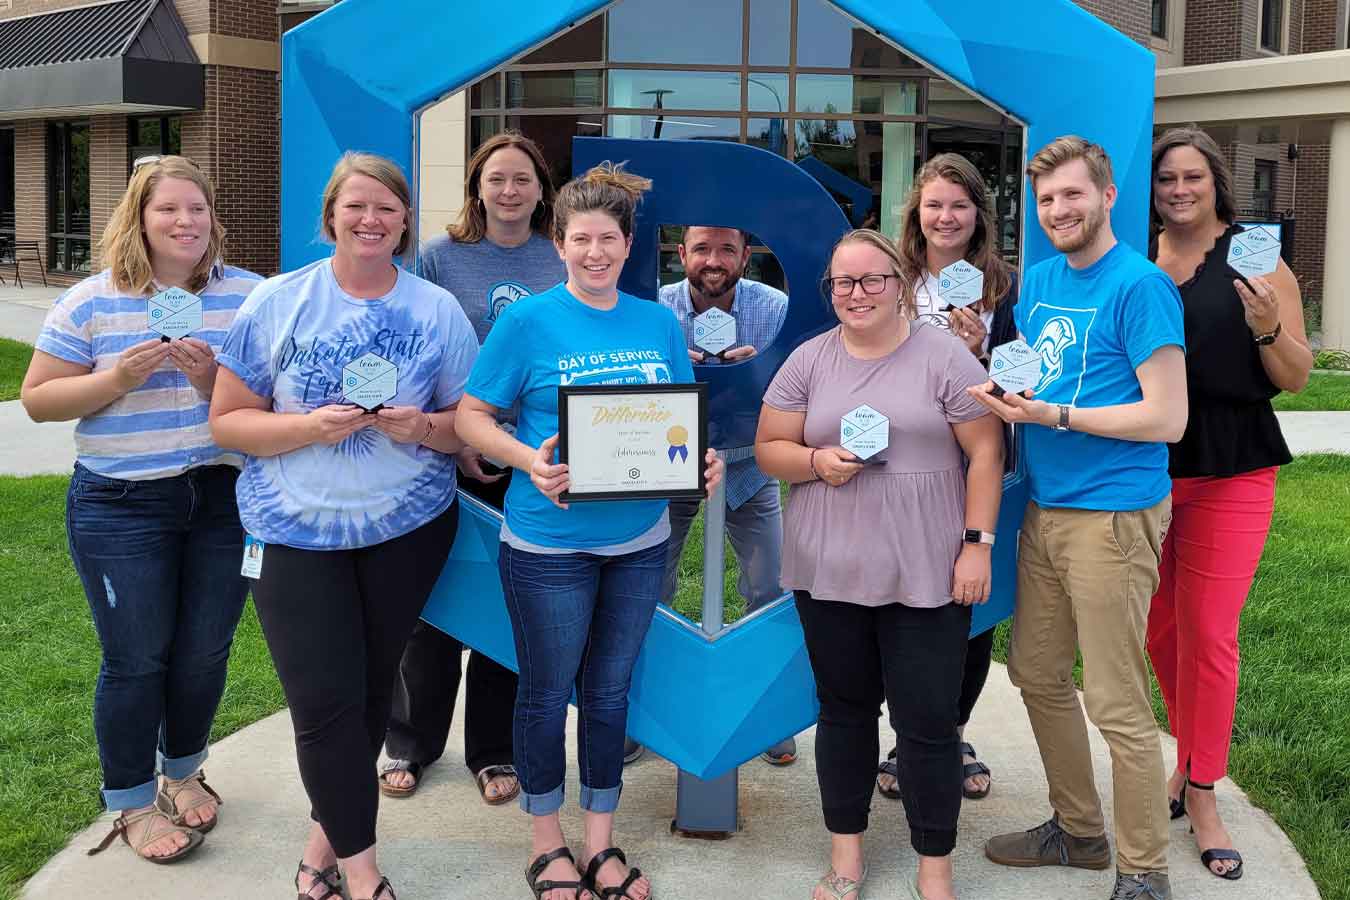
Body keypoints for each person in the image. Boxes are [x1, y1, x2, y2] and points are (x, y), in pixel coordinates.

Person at [210, 152, 480, 900]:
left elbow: (466, 428)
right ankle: (364, 879)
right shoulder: (277, 300)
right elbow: (228, 421)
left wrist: (421, 425)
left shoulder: (435, 310)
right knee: (323, 701)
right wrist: (306, 428)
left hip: (407, 531)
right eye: (357, 206)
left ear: (404, 221)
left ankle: (323, 842)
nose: (371, 220)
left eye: (388, 209)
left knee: (366, 697)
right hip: (292, 534)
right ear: (330, 214)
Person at [455, 162, 725, 900]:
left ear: (629, 244)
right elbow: (471, 417)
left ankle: (601, 841)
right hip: (548, 543)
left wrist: (695, 461)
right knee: (545, 693)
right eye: (581, 239)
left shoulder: (657, 322)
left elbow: (673, 417)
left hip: (638, 543)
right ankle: (549, 844)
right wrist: (525, 461)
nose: (595, 252)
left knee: (610, 694)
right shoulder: (526, 321)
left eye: (608, 238)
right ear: (559, 241)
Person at [20, 155, 260, 864]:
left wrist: (210, 375)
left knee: (204, 652)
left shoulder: (249, 296)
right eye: (168, 210)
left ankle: (183, 771)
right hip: (123, 501)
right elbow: (37, 399)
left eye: (197, 209)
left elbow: (268, 396)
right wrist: (115, 376)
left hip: (222, 497)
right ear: (139, 218)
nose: (185, 222)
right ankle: (129, 798)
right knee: (135, 660)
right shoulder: (94, 301)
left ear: (214, 218)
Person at [970, 136, 1188, 900]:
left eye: (1072, 195)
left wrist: (1056, 415)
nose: (1059, 210)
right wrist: (990, 368)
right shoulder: (1040, 281)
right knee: (1035, 672)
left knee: (1117, 702)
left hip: (1114, 516)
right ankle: (1080, 832)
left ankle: (1144, 871)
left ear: (1108, 197)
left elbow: (1168, 416)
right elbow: (1031, 372)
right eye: (1047, 200)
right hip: (1049, 510)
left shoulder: (1141, 286)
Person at [756, 229, 1004, 900]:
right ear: (828, 289)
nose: (856, 293)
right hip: (830, 567)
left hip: (927, 566)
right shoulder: (810, 360)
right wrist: (813, 462)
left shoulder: (947, 358)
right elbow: (769, 445)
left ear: (900, 284)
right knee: (843, 710)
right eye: (843, 282)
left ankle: (935, 862)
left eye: (871, 280)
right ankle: (846, 857)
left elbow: (986, 451)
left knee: (926, 719)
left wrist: (977, 543)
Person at [1146, 126, 1312, 881]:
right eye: (1166, 180)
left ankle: (1203, 788)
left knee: (1209, 632)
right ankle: (1188, 755)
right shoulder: (1139, 256)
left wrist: (1267, 325)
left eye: (1192, 178)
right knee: (1158, 631)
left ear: (1216, 182)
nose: (1179, 191)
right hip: (1148, 463)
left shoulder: (1254, 256)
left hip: (1233, 461)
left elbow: (1297, 374)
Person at [381, 131, 565, 806]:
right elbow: (418, 349)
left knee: (510, 600)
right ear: (476, 188)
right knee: (433, 601)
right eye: (496, 179)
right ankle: (410, 741)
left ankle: (493, 750)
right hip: (448, 451)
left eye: (522, 178)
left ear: (541, 188)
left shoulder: (559, 257)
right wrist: (457, 438)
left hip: (533, 455)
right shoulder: (439, 257)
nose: (509, 191)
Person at [876, 151, 1020, 804]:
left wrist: (980, 356)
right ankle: (908, 734)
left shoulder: (1006, 288)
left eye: (959, 205)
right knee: (906, 602)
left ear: (977, 216)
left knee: (970, 608)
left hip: (978, 464)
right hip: (903, 463)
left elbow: (1024, 380)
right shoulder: (892, 281)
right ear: (917, 214)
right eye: (934, 204)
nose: (946, 216)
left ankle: (951, 731)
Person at [654, 224, 793, 765]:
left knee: (770, 587)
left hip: (748, 466)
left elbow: (798, 378)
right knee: (651, 588)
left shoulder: (774, 307)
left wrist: (761, 370)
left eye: (727, 250)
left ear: (745, 255)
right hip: (672, 463)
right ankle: (650, 713)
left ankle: (766, 717)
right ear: (682, 253)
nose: (714, 261)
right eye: (703, 249)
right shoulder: (657, 307)